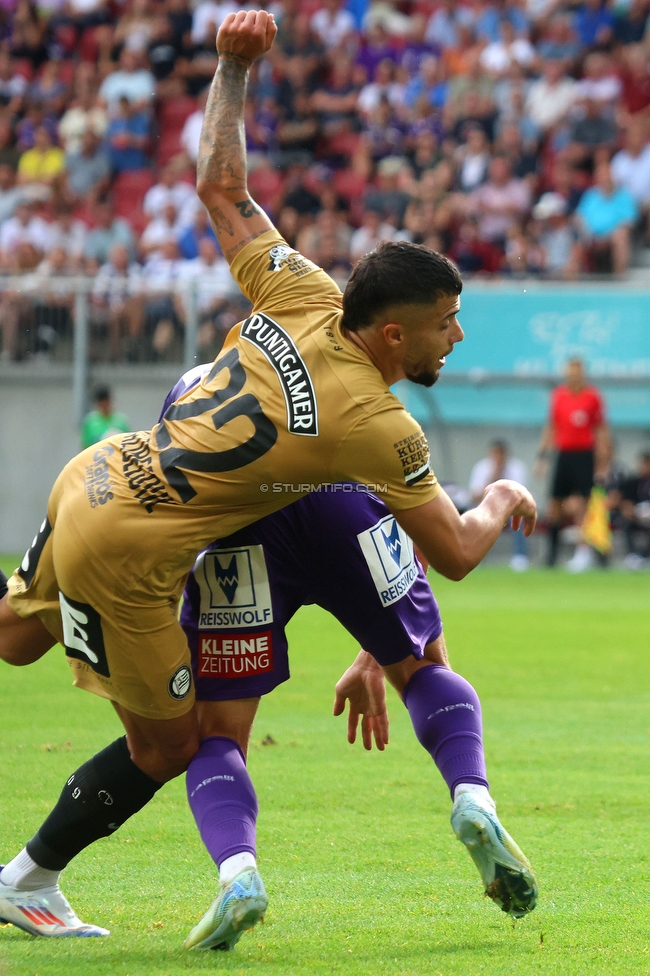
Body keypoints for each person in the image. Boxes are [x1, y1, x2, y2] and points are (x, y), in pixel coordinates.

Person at [0, 7, 537, 943]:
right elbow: (449, 552)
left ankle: (191, 867)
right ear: (396, 333)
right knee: (171, 745)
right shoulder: (378, 422)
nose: (459, 335)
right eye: (448, 320)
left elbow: (218, 182)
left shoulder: (301, 286)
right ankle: (25, 881)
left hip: (97, 473)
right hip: (136, 554)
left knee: (11, 637)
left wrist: (232, 67)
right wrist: (497, 496)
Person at [0, 364, 538, 947]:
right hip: (345, 510)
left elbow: (167, 515)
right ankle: (471, 794)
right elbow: (424, 522)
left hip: (237, 541)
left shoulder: (188, 404)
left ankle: (237, 871)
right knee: (425, 667)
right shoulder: (346, 385)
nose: (451, 337)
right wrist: (378, 648)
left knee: (213, 736)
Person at [535, 358, 611, 570]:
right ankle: (551, 556)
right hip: (564, 455)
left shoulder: (593, 397)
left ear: (583, 374)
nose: (573, 376)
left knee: (589, 507)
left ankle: (596, 554)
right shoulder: (558, 395)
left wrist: (603, 460)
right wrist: (542, 457)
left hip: (585, 455)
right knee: (555, 506)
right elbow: (551, 426)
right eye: (570, 372)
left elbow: (601, 429)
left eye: (577, 372)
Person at [469, 441, 530, 570]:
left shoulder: (516, 468)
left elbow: (520, 495)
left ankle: (519, 556)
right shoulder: (482, 467)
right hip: (487, 509)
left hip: (510, 509)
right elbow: (475, 495)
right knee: (472, 519)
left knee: (519, 517)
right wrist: (494, 476)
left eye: (500, 453)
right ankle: (474, 556)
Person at [618, 452, 650, 569]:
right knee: (626, 523)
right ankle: (633, 555)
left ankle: (644, 556)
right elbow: (626, 500)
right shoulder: (634, 482)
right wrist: (629, 507)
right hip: (637, 517)